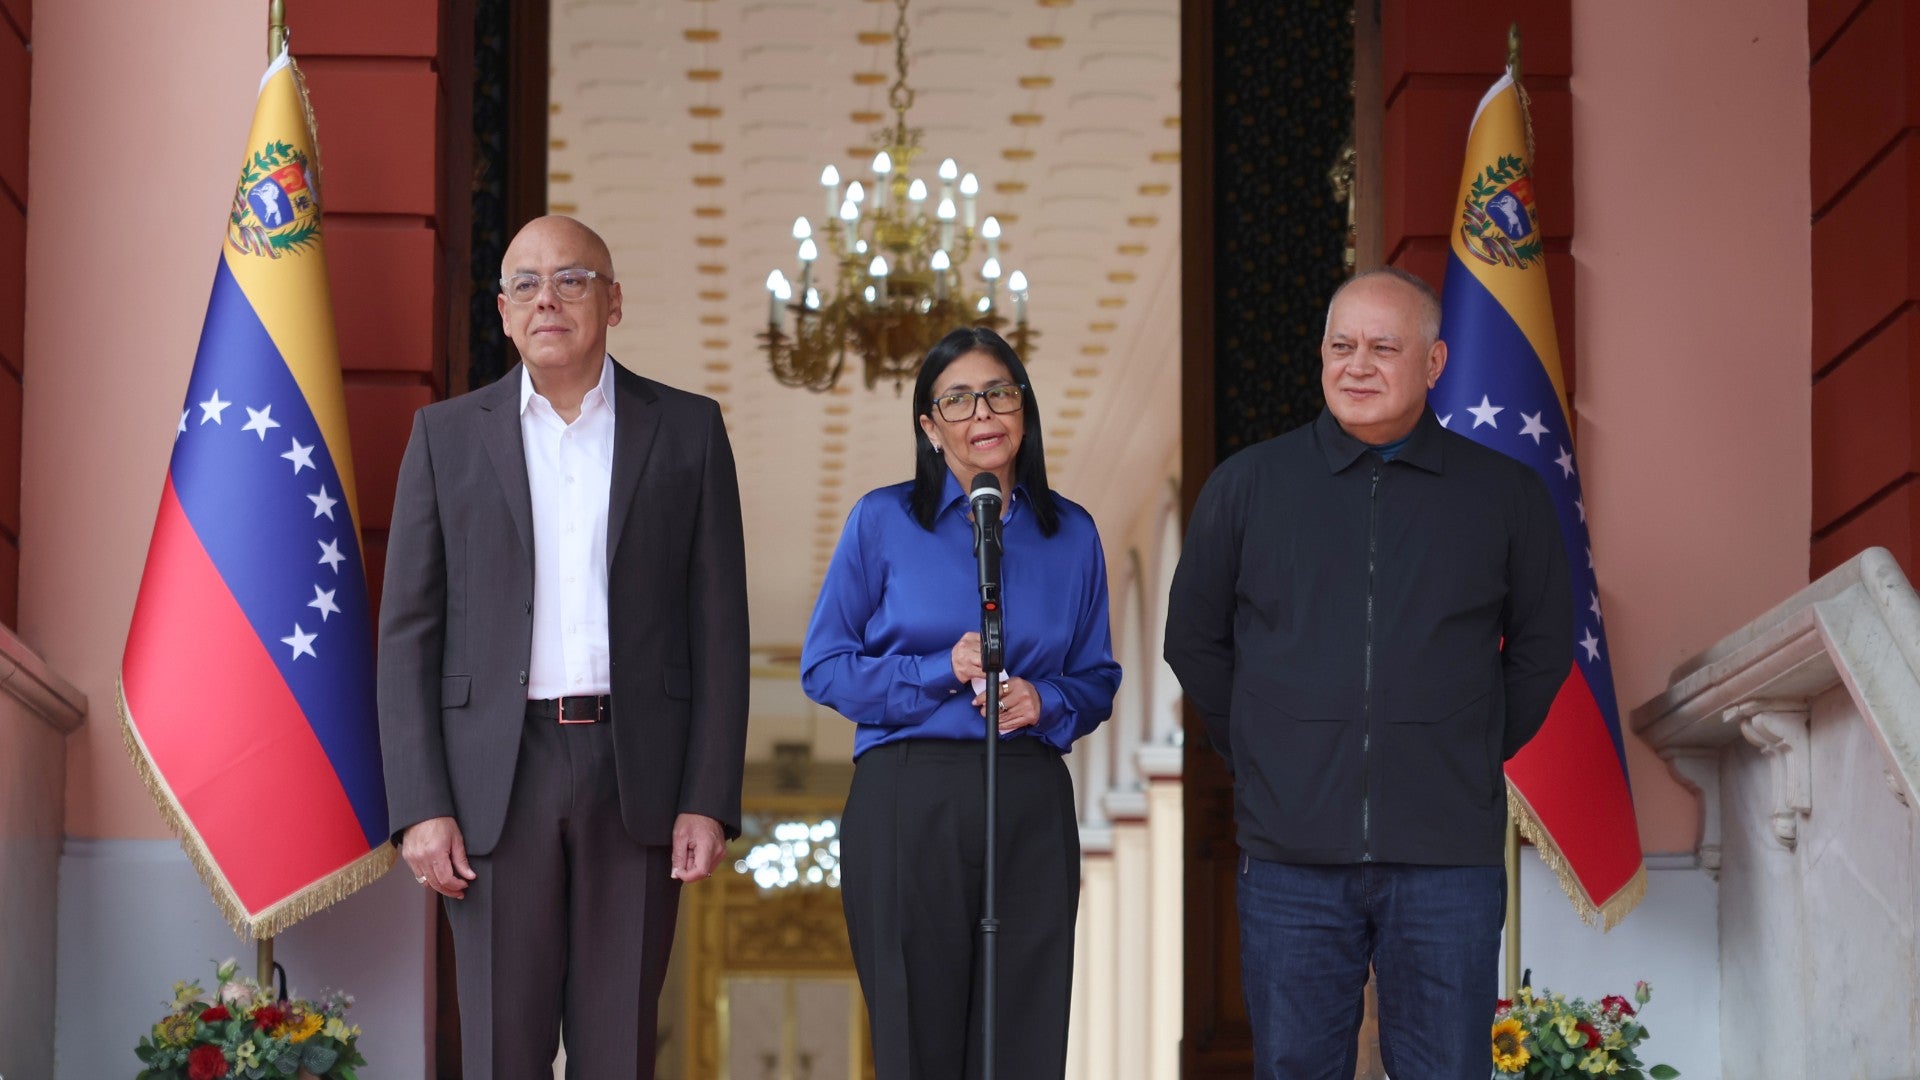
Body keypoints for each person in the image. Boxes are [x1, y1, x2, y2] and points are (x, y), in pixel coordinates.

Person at [1163, 267, 1573, 1080]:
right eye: (1341, 346)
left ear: (1435, 361)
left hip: (1446, 856)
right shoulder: (1248, 485)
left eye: (1384, 347)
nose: (1358, 365)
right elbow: (1193, 640)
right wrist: (1261, 749)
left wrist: (1466, 743)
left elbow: (1542, 646)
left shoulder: (1504, 494)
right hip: (1290, 858)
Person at [377, 215, 749, 1079]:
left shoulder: (688, 431)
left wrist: (708, 796)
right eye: (525, 284)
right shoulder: (445, 437)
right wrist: (420, 803)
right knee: (503, 1048)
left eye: (573, 280)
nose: (548, 299)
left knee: (619, 1049)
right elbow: (408, 633)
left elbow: (718, 627)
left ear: (613, 303)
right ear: (503, 313)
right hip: (492, 780)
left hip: (640, 774)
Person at [801, 326, 1121, 1080]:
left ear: (1024, 408)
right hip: (909, 792)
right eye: (958, 398)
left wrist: (1046, 700)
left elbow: (1097, 677)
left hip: (1029, 795)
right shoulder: (882, 521)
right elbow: (825, 668)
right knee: (920, 1035)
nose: (983, 412)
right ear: (928, 424)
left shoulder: (1071, 533)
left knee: (1025, 1030)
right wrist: (937, 670)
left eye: (1000, 392)